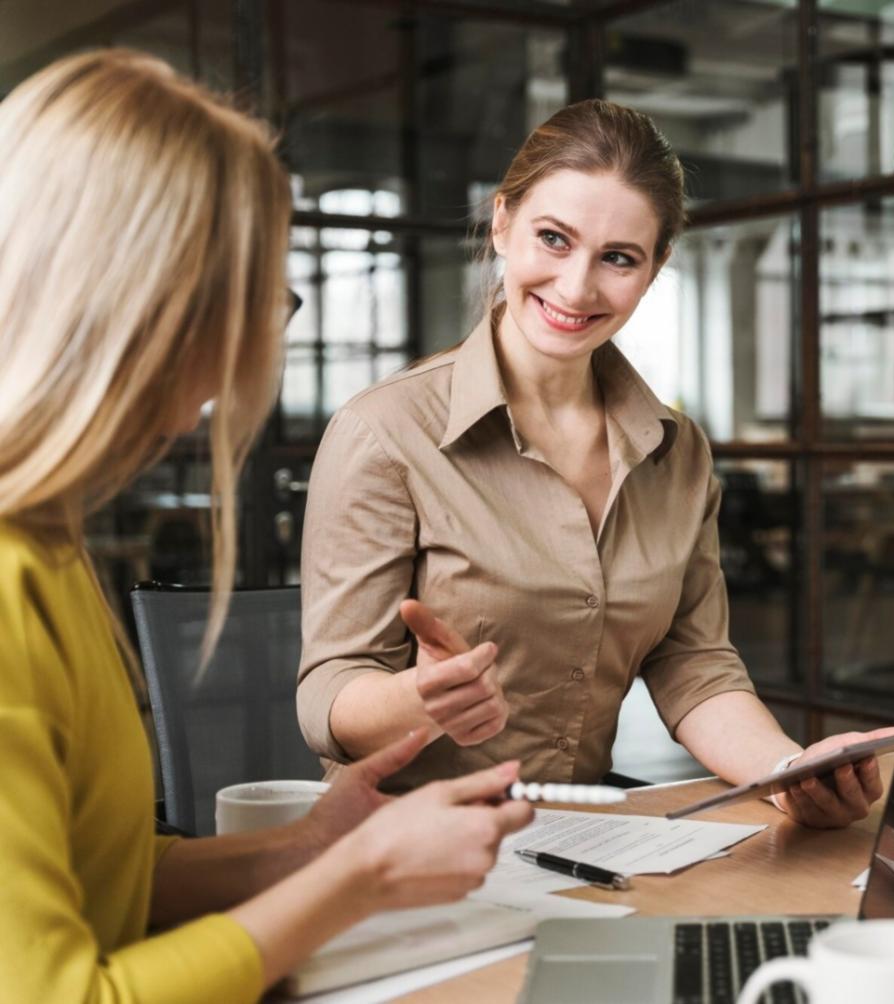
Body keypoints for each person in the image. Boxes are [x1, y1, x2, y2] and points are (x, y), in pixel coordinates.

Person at [0, 51, 535, 1001]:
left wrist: (304, 848)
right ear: (138, 301)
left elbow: (107, 885)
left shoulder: (45, 541)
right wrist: (357, 879)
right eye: (255, 297)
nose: (261, 342)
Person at [296, 98, 894, 828]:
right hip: (401, 840)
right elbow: (328, 689)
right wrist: (417, 699)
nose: (577, 288)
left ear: (655, 267)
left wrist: (785, 770)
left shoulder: (676, 451)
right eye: (553, 239)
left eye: (618, 258)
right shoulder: (385, 433)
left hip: (582, 838)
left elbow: (693, 664)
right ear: (502, 223)